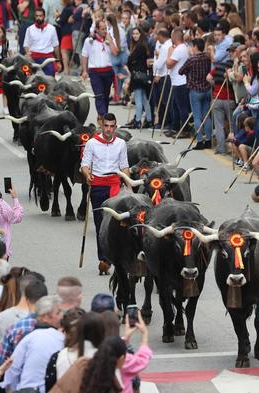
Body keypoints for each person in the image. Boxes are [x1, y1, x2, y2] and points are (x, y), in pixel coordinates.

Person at [80, 113, 132, 275]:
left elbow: (124, 166)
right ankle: (104, 259)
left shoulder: (121, 143)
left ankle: (120, 257)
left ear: (115, 127)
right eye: (106, 126)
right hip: (98, 186)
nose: (109, 129)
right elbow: (85, 164)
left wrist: (129, 187)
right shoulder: (92, 143)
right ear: (102, 126)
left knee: (119, 223)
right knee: (100, 223)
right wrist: (87, 175)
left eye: (112, 126)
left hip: (115, 186)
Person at [2, 295, 64, 392]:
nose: (62, 316)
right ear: (45, 317)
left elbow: (13, 367)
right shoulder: (60, 338)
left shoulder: (29, 337)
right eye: (58, 313)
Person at [179, 37, 211, 149]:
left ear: (195, 47)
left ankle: (200, 141)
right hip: (207, 89)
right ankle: (209, 140)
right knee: (206, 116)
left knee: (197, 116)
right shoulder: (207, 57)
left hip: (195, 90)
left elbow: (180, 71)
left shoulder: (192, 59)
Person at [81, 19, 118, 117]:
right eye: (102, 29)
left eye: (106, 28)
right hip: (95, 72)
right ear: (97, 29)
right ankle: (103, 115)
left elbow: (115, 52)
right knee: (99, 95)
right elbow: (84, 56)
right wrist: (84, 70)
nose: (105, 31)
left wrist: (110, 41)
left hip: (108, 71)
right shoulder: (89, 41)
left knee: (106, 96)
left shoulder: (110, 39)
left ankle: (104, 116)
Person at [126, 26, 152, 129]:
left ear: (141, 34)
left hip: (137, 75)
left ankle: (137, 121)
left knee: (138, 99)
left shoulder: (139, 46)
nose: (135, 36)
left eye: (137, 34)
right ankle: (149, 119)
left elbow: (130, 59)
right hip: (142, 74)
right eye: (133, 34)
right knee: (144, 98)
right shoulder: (143, 45)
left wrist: (131, 61)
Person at [24, 8, 62, 76]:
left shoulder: (52, 29)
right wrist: (28, 55)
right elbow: (26, 45)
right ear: (34, 16)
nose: (38, 18)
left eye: (40, 16)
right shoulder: (29, 29)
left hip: (48, 59)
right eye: (37, 16)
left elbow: (56, 46)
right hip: (34, 59)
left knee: (50, 82)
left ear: (44, 16)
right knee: (33, 82)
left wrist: (58, 61)